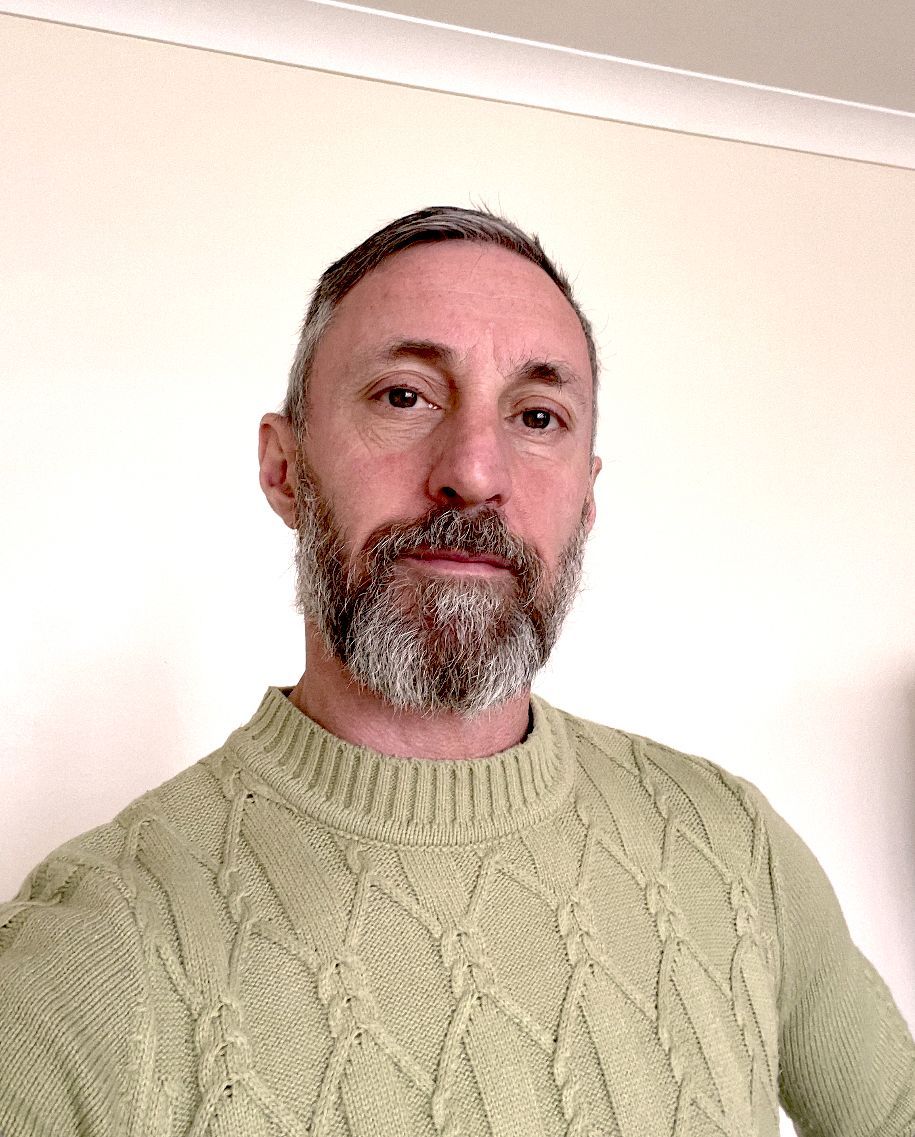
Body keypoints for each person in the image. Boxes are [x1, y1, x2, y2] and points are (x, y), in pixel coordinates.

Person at [0, 206, 912, 1137]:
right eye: (405, 395)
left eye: (536, 416)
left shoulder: (735, 847)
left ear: (586, 501)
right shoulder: (87, 948)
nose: (474, 470)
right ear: (284, 468)